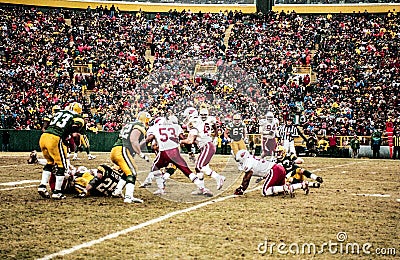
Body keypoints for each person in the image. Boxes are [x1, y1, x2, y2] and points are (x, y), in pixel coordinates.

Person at [142, 115, 213, 196]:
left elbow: (149, 139)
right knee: (187, 171)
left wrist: (138, 146)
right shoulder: (176, 127)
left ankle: (161, 188)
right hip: (175, 153)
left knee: (154, 167)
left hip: (164, 152)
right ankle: (203, 188)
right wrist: (189, 152)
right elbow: (182, 138)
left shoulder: (155, 128)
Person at [37, 102, 85, 200]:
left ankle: (42, 186)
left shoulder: (59, 112)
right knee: (61, 165)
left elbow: (46, 125)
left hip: (44, 137)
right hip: (55, 138)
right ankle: (57, 192)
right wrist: (73, 141)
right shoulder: (77, 117)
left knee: (50, 163)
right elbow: (75, 132)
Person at [110, 111, 151, 203]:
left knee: (128, 170)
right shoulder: (139, 125)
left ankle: (117, 191)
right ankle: (129, 197)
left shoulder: (130, 124)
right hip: (122, 150)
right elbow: (133, 140)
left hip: (116, 150)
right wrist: (141, 154)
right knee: (132, 172)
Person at [181, 116, 226, 194]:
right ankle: (201, 188)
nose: (188, 126)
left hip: (207, 146)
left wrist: (180, 141)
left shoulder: (194, 129)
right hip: (206, 146)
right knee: (198, 168)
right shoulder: (200, 127)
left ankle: (218, 177)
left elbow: (190, 141)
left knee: (200, 166)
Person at [233, 149, 298, 197]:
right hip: (280, 169)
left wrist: (242, 188)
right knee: (279, 191)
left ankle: (287, 187)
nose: (239, 162)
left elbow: (247, 178)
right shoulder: (250, 158)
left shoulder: (248, 162)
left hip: (274, 170)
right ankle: (302, 185)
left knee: (265, 192)